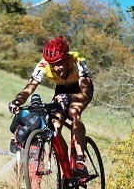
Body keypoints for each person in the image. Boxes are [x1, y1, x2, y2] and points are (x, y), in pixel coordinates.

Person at [8, 37, 94, 177]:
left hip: (80, 90)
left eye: (59, 63)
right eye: (52, 64)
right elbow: (30, 87)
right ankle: (67, 169)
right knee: (55, 124)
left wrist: (71, 97)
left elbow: (86, 92)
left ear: (66, 59)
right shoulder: (43, 65)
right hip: (61, 90)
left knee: (73, 111)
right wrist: (17, 101)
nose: (55, 68)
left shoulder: (77, 59)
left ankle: (80, 160)